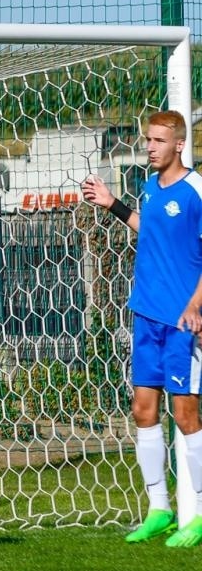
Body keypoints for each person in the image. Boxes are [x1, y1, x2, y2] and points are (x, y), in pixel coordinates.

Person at [82, 109, 202, 547]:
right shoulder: (150, 188)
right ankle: (159, 509)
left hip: (182, 323)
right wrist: (112, 203)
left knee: (186, 415)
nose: (148, 147)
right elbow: (148, 230)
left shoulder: (195, 190)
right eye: (147, 140)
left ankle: (200, 515)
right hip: (146, 315)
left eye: (155, 141)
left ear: (178, 145)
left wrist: (196, 306)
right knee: (142, 411)